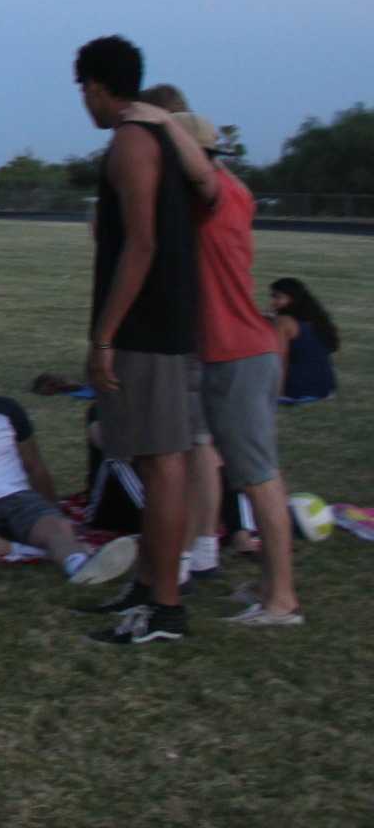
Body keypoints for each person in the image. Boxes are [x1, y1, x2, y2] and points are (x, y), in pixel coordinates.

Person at [135, 105, 301, 627]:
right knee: (253, 473)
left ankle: (282, 602)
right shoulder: (234, 191)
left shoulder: (216, 193)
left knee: (259, 478)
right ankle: (272, 586)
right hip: (235, 354)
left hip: (238, 354)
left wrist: (160, 122)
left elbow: (202, 174)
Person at [72, 36, 202, 648]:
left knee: (162, 463)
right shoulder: (160, 138)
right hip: (165, 323)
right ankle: (148, 589)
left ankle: (165, 607)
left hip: (147, 328)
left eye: (82, 89)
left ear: (97, 85)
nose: (83, 101)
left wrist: (104, 337)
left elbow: (141, 244)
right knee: (157, 463)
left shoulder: (129, 140)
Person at [0, 339, 129, 585]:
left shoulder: (6, 410)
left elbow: (34, 465)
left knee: (56, 527)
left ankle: (77, 565)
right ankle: (30, 552)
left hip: (15, 497)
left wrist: (53, 509)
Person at [272, 277, 339, 405]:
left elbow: (280, 361)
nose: (273, 302)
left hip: (299, 391)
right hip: (326, 388)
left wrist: (277, 394)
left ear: (292, 298)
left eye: (277, 297)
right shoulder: (316, 319)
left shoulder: (283, 322)